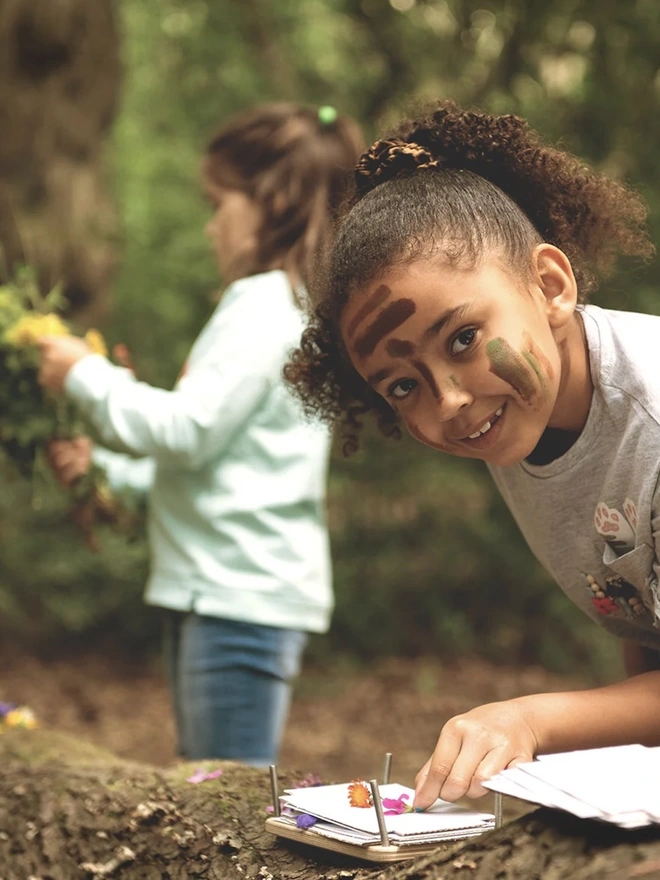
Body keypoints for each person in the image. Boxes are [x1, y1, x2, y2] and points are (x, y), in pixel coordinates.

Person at [284, 100, 660, 807]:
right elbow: (642, 611)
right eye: (402, 384)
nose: (448, 401)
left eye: (461, 339)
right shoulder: (520, 416)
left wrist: (528, 719)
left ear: (550, 284)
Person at [37, 102, 365, 766]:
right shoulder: (274, 309)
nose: (211, 224)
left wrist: (84, 373)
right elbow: (210, 467)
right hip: (218, 590)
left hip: (239, 601)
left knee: (224, 799)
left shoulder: (265, 309)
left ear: (272, 201)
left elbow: (183, 431)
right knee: (205, 781)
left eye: (219, 203)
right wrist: (105, 474)